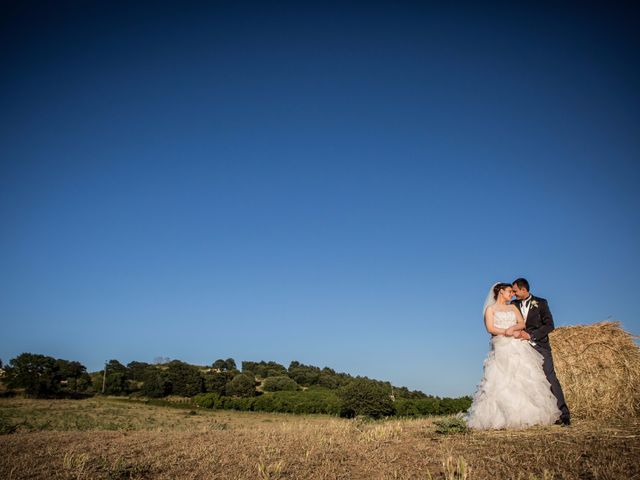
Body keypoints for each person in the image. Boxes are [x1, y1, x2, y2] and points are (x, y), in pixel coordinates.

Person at [465, 282, 561, 429]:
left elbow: (522, 323)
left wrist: (514, 329)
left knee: (524, 377)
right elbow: (490, 328)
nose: (512, 294)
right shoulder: (490, 309)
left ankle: (529, 416)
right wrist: (505, 332)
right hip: (501, 346)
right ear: (501, 292)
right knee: (501, 379)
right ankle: (501, 418)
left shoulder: (512, 307)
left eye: (513, 291)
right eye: (509, 291)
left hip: (517, 344)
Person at [511, 277, 571, 425]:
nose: (513, 293)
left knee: (550, 377)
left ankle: (564, 414)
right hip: (520, 348)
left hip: (540, 346)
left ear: (524, 289)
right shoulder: (513, 304)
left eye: (515, 291)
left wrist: (531, 335)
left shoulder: (541, 303)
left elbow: (550, 325)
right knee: (523, 380)